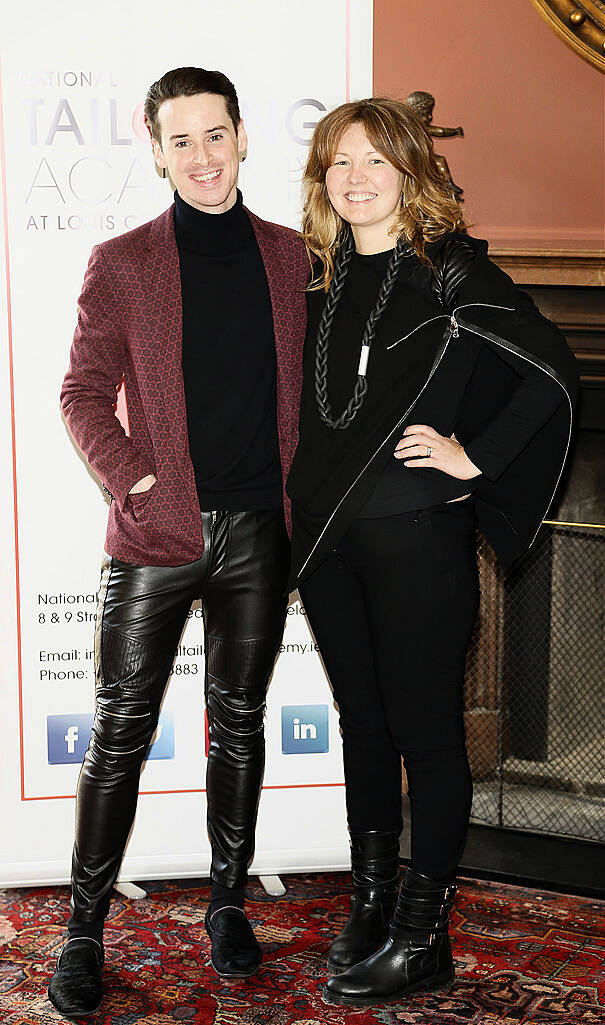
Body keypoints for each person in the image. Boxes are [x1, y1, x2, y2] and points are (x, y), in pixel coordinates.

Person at [286, 97, 578, 1007]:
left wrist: (475, 457)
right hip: (328, 543)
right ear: (321, 179)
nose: (356, 177)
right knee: (363, 728)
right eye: (339, 161)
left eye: (376, 159)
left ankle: (422, 936)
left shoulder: (452, 274)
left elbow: (552, 371)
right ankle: (373, 903)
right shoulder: (318, 281)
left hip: (418, 542)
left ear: (411, 173)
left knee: (426, 734)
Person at [49, 66, 307, 1018]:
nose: (203, 156)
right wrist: (136, 480)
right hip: (154, 534)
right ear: (155, 150)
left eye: (216, 134)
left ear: (242, 137)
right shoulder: (121, 262)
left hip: (258, 533)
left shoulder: (291, 258)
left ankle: (228, 904)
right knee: (119, 732)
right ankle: (83, 930)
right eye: (182, 140)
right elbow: (80, 393)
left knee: (238, 724)